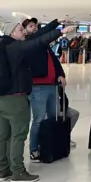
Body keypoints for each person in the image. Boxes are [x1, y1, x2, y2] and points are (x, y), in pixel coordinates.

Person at [0, 22, 74, 182]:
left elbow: (37, 37)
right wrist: (60, 32)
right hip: (16, 98)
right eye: (20, 29)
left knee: (2, 135)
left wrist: (55, 25)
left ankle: (3, 171)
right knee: (18, 135)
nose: (24, 32)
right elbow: (38, 41)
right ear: (12, 33)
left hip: (1, 98)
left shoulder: (0, 47)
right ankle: (18, 172)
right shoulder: (15, 47)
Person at [24, 18, 67, 163]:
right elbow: (42, 33)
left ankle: (50, 143)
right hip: (38, 87)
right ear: (25, 30)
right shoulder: (29, 42)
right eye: (31, 26)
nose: (34, 28)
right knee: (38, 119)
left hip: (52, 86)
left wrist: (61, 74)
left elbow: (54, 61)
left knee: (54, 116)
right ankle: (33, 149)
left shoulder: (44, 46)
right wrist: (56, 23)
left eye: (35, 26)